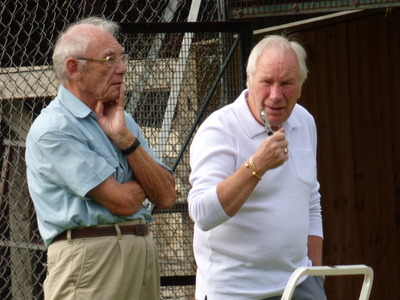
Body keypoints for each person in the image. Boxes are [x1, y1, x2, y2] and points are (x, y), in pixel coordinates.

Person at [25, 17, 176, 300]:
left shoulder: (124, 121)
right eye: (109, 59)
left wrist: (125, 141)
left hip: (139, 252)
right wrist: (145, 178)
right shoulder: (53, 129)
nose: (122, 68)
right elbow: (124, 201)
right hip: (91, 262)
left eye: (122, 58)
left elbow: (166, 195)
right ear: (74, 67)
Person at [188, 35, 326, 299]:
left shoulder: (304, 121)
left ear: (301, 86)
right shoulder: (219, 129)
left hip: (299, 284)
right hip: (234, 290)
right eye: (266, 82)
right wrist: (257, 166)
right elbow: (202, 214)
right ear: (249, 80)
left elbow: (311, 199)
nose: (276, 95)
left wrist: (315, 276)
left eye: (287, 83)